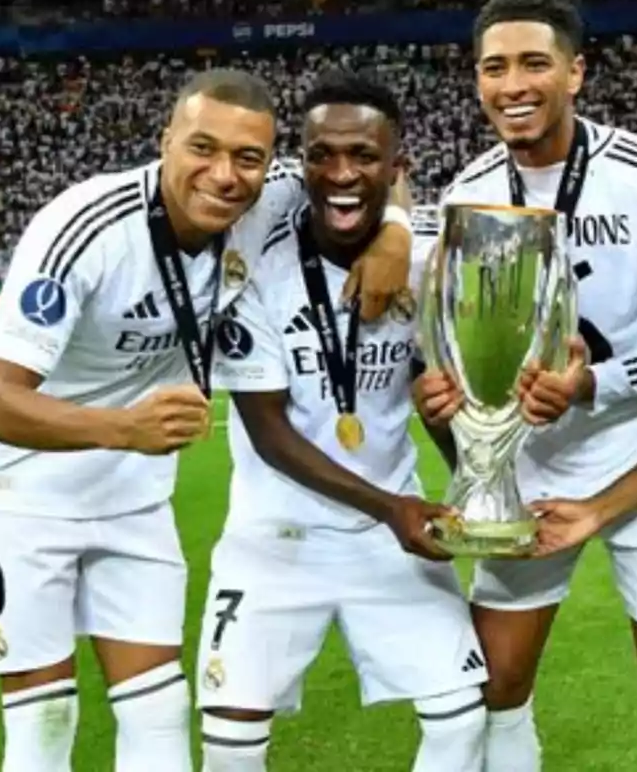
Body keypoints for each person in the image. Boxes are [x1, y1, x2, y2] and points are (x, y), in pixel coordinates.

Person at [0, 69, 413, 772]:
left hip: (137, 502)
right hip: (24, 498)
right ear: (165, 142)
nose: (224, 175)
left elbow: (369, 179)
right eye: (202, 148)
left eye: (248, 158)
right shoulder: (86, 228)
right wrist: (120, 429)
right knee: (44, 723)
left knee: (159, 718)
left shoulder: (270, 194)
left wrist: (396, 233)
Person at [414, 0, 637, 772]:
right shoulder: (466, 197)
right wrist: (455, 417)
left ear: (576, 73)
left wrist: (591, 385)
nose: (513, 85)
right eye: (494, 68)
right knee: (497, 683)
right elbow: (447, 346)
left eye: (534, 64)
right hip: (532, 472)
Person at [196, 70, 487, 772]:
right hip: (275, 537)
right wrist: (394, 508)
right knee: (229, 747)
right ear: (300, 162)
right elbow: (270, 434)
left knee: (461, 720)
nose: (342, 173)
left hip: (386, 540)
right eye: (322, 155)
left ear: (398, 168)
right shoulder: (255, 263)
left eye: (363, 156)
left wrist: (461, 449)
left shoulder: (429, 266)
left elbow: (446, 405)